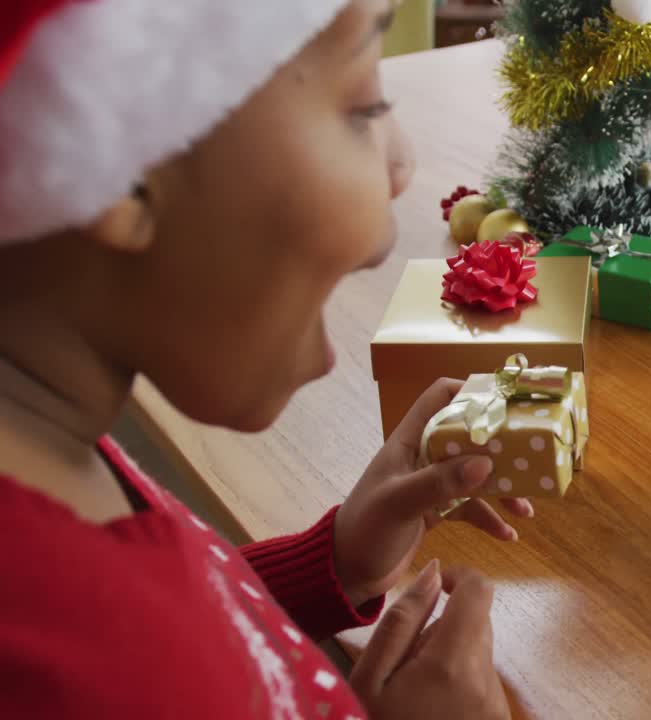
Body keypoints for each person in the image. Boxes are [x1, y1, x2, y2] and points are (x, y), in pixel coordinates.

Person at [0, 1, 525, 718]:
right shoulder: (87, 664)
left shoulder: (48, 464)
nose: (403, 163)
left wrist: (333, 563)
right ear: (122, 163)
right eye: (365, 106)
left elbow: (178, 642)